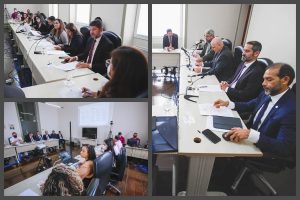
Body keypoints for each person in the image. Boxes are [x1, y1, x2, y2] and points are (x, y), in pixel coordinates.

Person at [213, 63, 295, 157]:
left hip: (262, 149)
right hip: (248, 135)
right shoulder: (268, 92)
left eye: (269, 79)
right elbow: (250, 105)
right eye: (264, 79)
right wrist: (229, 104)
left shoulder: (292, 110)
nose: (263, 84)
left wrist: (251, 135)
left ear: (285, 80)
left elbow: (285, 147)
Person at [81, 46, 148, 98]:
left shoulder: (118, 93)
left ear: (120, 71)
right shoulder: (134, 86)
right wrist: (94, 93)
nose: (109, 66)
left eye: (110, 63)